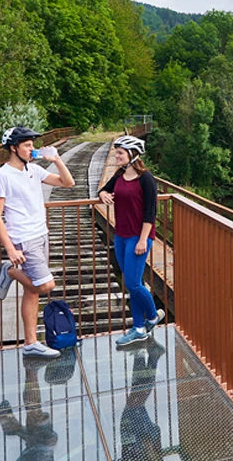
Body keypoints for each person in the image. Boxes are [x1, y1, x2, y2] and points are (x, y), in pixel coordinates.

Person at [0, 126, 75, 359]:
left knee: (32, 290)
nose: (32, 149)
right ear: (13, 148)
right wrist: (9, 248)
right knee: (46, 286)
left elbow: (68, 183)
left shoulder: (34, 170)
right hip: (22, 239)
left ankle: (30, 343)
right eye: (27, 145)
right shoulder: (2, 176)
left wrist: (56, 159)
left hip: (41, 234)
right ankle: (10, 271)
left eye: (32, 145)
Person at [98, 135, 165, 348]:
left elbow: (150, 213)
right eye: (117, 152)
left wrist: (143, 239)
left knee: (134, 283)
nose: (116, 155)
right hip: (121, 235)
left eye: (120, 153)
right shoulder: (119, 175)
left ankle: (153, 316)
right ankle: (138, 328)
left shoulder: (146, 179)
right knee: (131, 282)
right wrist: (102, 194)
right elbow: (105, 189)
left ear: (132, 155)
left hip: (139, 236)